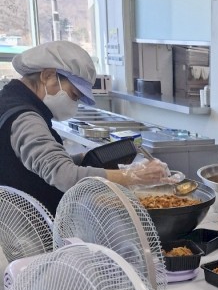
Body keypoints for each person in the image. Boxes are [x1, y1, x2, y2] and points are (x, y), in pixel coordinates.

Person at [0, 41, 170, 213]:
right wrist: (134, 176)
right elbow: (63, 175)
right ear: (48, 75)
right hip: (25, 231)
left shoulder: (8, 100)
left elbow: (36, 166)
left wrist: (82, 159)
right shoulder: (26, 118)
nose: (74, 104)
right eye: (74, 95)